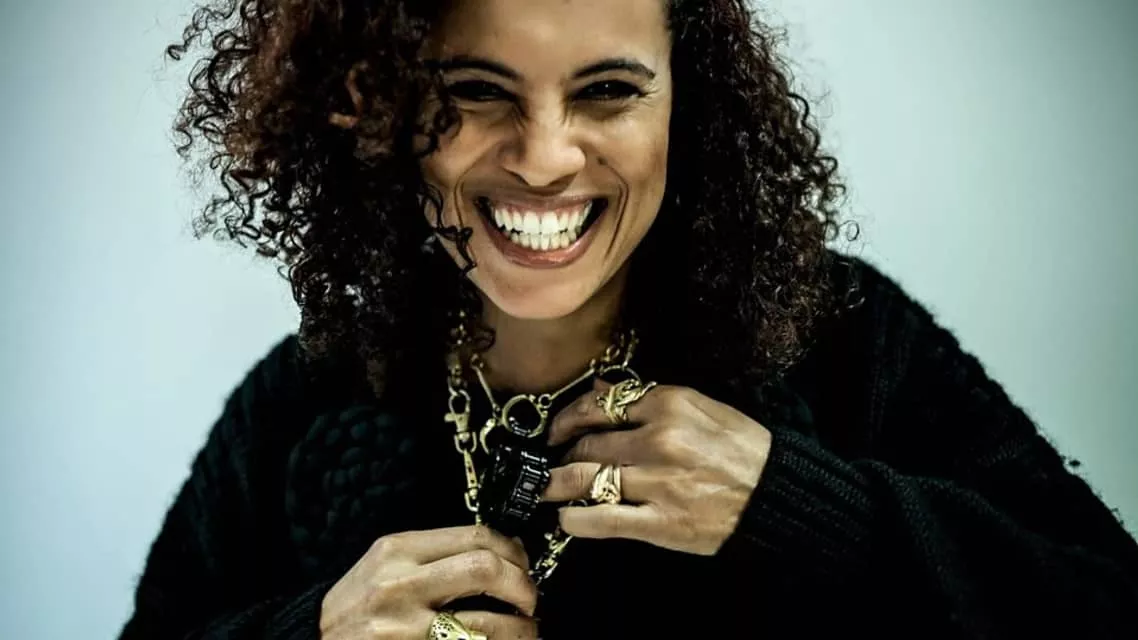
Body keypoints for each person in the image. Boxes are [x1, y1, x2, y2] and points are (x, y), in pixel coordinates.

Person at [120, 0, 1138, 638]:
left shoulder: (840, 336)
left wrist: (796, 508)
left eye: (607, 91)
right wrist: (312, 633)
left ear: (687, 106)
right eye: (475, 91)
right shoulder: (304, 397)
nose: (545, 157)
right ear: (377, 105)